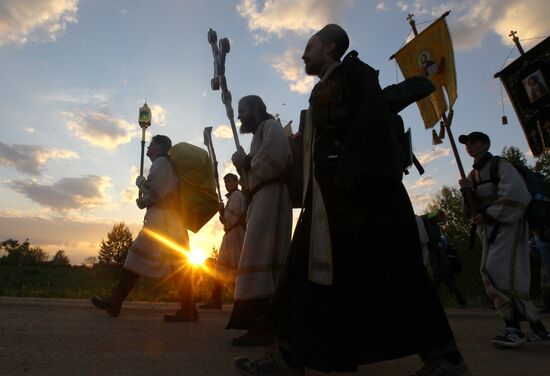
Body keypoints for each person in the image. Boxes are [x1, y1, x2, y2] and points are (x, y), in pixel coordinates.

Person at [235, 24, 469, 376]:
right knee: (305, 273)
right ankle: (290, 357)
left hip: (362, 195)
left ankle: (446, 359)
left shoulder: (354, 73)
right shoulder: (325, 87)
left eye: (310, 46)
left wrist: (356, 179)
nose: (303, 53)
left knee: (397, 271)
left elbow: (372, 121)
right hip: (327, 197)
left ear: (330, 47)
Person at [91, 135, 197, 322]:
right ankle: (189, 309)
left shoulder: (161, 163)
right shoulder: (167, 165)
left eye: (151, 145)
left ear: (158, 147)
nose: (147, 149)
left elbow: (155, 190)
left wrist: (140, 183)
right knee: (177, 265)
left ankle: (116, 301)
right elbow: (160, 193)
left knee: (136, 257)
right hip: (172, 221)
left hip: (162, 221)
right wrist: (144, 201)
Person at [458, 131, 549, 346]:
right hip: (489, 230)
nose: (469, 146)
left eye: (473, 142)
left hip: (509, 225)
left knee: (497, 271)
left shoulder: (500, 165)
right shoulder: (473, 175)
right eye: (467, 144)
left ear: (485, 144)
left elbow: (517, 195)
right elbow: (468, 210)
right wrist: (466, 193)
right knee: (502, 274)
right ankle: (538, 329)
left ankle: (513, 329)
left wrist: (489, 214)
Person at [226, 95, 293, 346]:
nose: (240, 115)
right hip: (260, 196)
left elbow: (271, 164)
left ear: (256, 109)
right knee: (258, 258)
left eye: (243, 110)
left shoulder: (271, 126)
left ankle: (263, 327)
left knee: (261, 258)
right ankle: (261, 324)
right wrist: (243, 166)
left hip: (271, 194)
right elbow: (251, 176)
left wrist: (247, 162)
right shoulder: (258, 134)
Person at [199, 173, 246, 309]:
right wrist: (222, 212)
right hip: (230, 235)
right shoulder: (233, 197)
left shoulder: (237, 196)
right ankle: (216, 299)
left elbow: (231, 219)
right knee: (220, 268)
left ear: (236, 182)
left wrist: (223, 212)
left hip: (236, 235)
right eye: (225, 182)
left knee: (236, 268)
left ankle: (242, 300)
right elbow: (226, 221)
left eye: (229, 181)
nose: (226, 184)